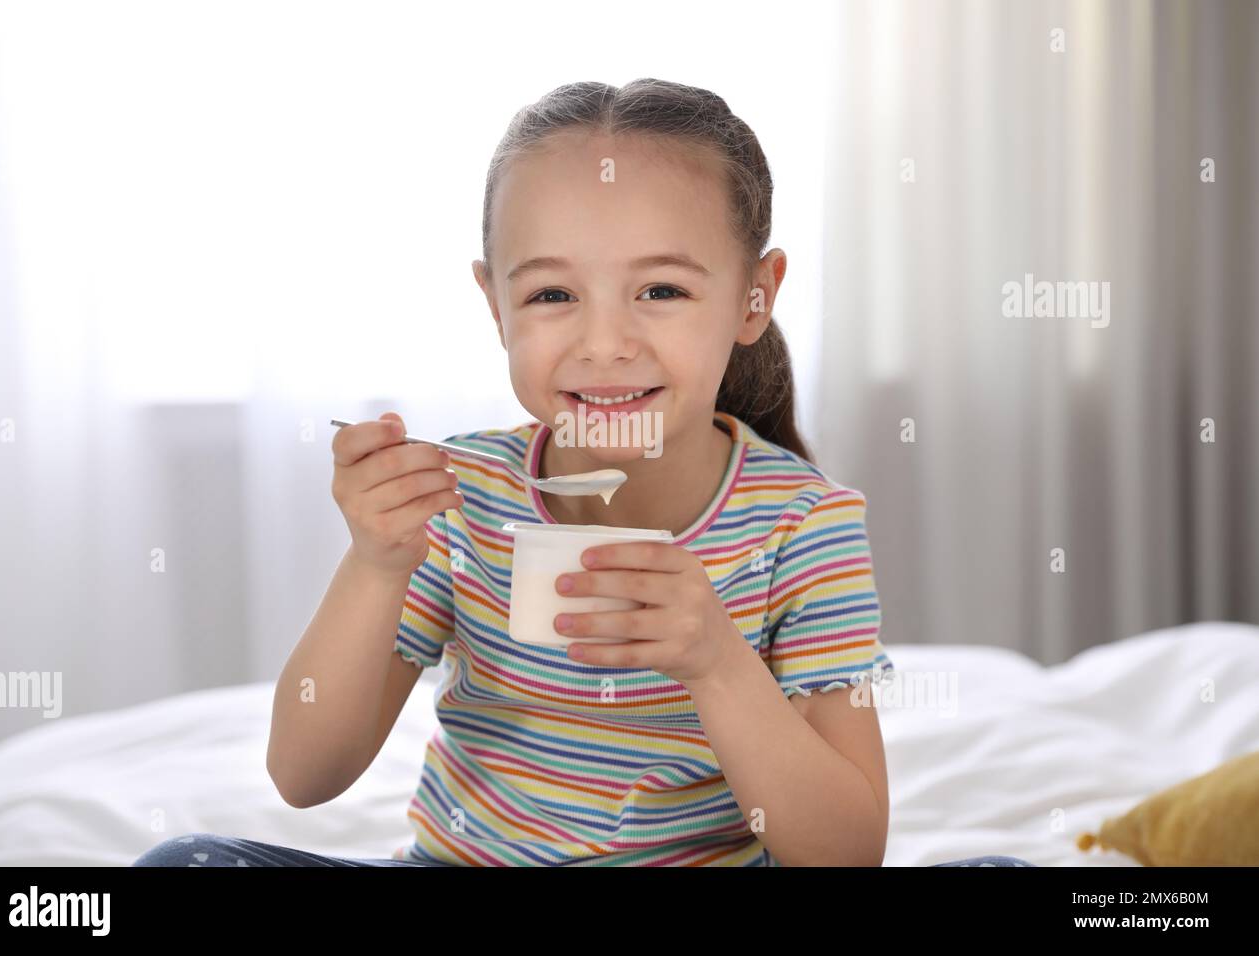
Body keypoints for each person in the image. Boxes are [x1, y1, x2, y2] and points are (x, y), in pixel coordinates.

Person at [135, 78, 1031, 869]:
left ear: (754, 296)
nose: (605, 344)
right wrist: (375, 565)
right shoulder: (464, 498)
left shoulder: (803, 525)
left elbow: (842, 855)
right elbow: (303, 776)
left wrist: (717, 662)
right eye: (553, 295)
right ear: (495, 305)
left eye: (663, 291)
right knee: (184, 863)